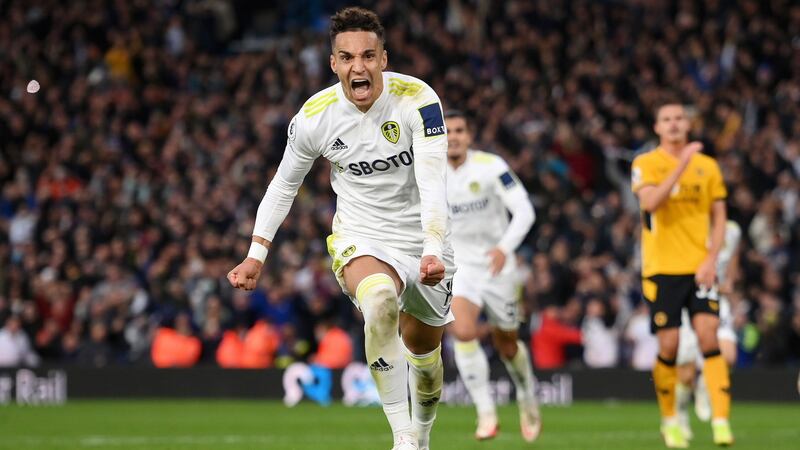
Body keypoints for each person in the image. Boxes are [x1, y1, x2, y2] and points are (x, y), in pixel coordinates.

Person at [227, 7, 454, 450]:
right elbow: (284, 184)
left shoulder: (419, 99)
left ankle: (422, 437)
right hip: (362, 234)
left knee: (426, 360)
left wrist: (433, 247)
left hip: (422, 237)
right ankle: (403, 439)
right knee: (380, 301)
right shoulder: (316, 116)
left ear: (383, 59)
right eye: (347, 57)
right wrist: (256, 253)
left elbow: (433, 182)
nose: (358, 67)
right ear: (334, 63)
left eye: (368, 56)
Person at [631, 101, 733, 448]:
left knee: (709, 336)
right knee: (669, 344)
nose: (673, 124)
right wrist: (682, 164)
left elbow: (719, 216)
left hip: (700, 267)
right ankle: (670, 419)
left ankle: (721, 422)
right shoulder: (645, 164)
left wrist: (712, 259)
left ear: (688, 125)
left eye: (679, 119)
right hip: (661, 269)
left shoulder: (709, 167)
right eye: (666, 119)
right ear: (657, 127)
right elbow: (650, 203)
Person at [443, 111, 541, 442]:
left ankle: (527, 394)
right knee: (462, 331)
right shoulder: (429, 170)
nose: (453, 137)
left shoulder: (491, 166)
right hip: (460, 266)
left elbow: (525, 210)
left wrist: (504, 248)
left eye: (459, 130)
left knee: (507, 344)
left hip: (497, 266)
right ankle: (486, 413)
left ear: (469, 136)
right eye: (447, 131)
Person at [675, 220, 741, 440]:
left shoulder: (733, 231)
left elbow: (732, 262)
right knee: (685, 372)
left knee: (728, 356)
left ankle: (705, 383)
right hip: (690, 299)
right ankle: (681, 413)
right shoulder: (691, 225)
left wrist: (729, 283)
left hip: (716, 298)